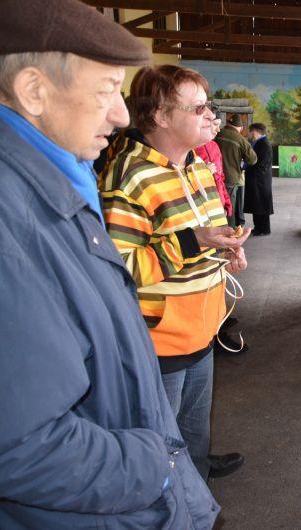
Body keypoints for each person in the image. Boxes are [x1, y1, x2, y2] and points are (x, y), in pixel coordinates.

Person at [0, 1, 218, 528]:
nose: (121, 115)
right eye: (105, 91)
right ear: (33, 91)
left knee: (192, 429)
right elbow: (24, 445)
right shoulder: (20, 211)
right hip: (113, 485)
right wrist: (157, 464)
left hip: (195, 331)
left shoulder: (61, 176)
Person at [99, 64, 249, 481]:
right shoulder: (130, 176)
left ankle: (196, 481)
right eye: (197, 107)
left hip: (201, 326)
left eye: (208, 105)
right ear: (160, 115)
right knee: (161, 440)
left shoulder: (199, 166)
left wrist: (227, 253)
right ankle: (172, 497)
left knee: (195, 427)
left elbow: (206, 238)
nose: (210, 115)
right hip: (160, 339)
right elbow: (121, 268)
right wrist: (193, 241)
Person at [216, 113, 257, 227]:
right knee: (229, 207)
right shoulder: (240, 139)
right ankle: (230, 232)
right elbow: (253, 160)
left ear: (228, 123)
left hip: (213, 175)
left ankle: (216, 230)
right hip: (230, 178)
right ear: (241, 127)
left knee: (215, 205)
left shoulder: (217, 133)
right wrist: (242, 163)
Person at [196, 116, 233, 218]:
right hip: (202, 211)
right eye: (215, 124)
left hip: (219, 208)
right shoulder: (190, 147)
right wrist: (204, 171)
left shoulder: (215, 146)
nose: (218, 129)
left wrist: (226, 205)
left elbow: (220, 178)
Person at [245, 122, 274, 235]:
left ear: (256, 132)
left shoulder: (264, 144)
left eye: (251, 131)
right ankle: (258, 227)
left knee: (262, 205)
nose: (250, 134)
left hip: (260, 180)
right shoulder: (259, 142)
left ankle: (264, 229)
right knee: (256, 205)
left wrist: (252, 173)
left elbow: (264, 165)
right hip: (257, 180)